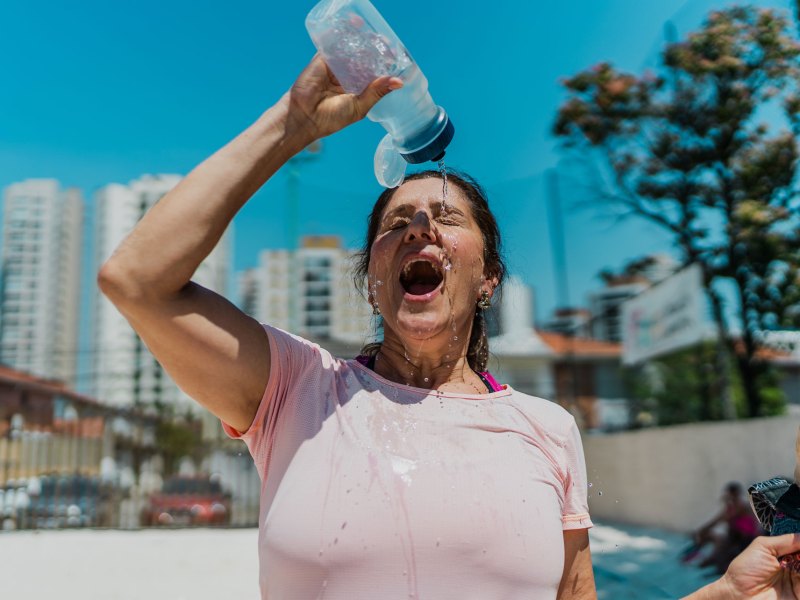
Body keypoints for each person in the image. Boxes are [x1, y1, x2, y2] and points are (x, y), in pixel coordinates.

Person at [98, 54, 800, 599]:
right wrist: (295, 121)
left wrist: (722, 592)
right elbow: (137, 280)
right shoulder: (296, 390)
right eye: (396, 225)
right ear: (372, 278)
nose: (420, 229)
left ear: (488, 277)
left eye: (446, 220)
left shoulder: (548, 429)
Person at [683, 482, 763, 574]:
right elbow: (718, 520)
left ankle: (710, 560)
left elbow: (722, 518)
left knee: (718, 544)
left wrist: (704, 529)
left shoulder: (740, 506)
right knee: (711, 538)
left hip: (745, 541)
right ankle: (703, 557)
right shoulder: (732, 507)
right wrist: (702, 530)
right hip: (735, 539)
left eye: (730, 496)